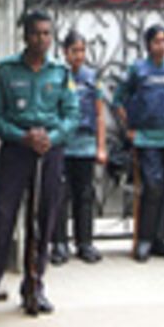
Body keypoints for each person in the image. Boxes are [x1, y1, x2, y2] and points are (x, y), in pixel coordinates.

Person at [0, 11, 76, 318]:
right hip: (16, 151)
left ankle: (35, 287)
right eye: (35, 33)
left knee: (43, 222)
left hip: (49, 152)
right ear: (25, 36)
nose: (41, 39)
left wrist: (51, 138)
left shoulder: (61, 72)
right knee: (1, 220)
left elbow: (71, 115)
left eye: (46, 34)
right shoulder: (5, 71)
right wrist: (22, 136)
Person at [113, 24, 164, 262]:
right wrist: (129, 129)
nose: (162, 45)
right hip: (147, 139)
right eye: (157, 41)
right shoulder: (137, 70)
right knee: (153, 186)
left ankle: (161, 237)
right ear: (148, 44)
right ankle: (145, 239)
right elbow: (118, 101)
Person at [51, 31, 106, 265]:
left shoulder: (92, 78)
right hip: (62, 144)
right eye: (74, 51)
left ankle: (84, 243)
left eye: (82, 51)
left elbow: (100, 113)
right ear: (65, 52)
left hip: (85, 144)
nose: (79, 56)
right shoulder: (55, 77)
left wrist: (101, 147)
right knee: (60, 195)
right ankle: (59, 243)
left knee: (84, 194)